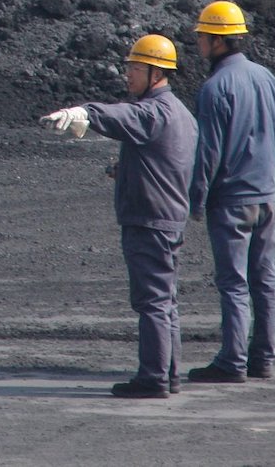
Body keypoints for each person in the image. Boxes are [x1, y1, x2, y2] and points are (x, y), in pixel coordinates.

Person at [41, 34, 198, 397]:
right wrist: (125, 170)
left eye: (135, 68)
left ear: (156, 73)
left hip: (150, 220)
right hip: (169, 216)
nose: (128, 74)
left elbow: (126, 116)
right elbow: (165, 160)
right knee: (166, 301)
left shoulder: (154, 111)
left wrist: (85, 112)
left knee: (153, 302)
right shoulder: (182, 115)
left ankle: (154, 379)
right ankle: (169, 375)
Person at [186, 0, 275, 384]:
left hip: (231, 200)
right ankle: (262, 359)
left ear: (218, 41)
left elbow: (207, 151)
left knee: (233, 282)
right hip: (265, 193)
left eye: (203, 38)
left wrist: (197, 198)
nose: (198, 45)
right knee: (265, 278)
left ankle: (232, 361)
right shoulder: (266, 77)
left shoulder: (214, 88)